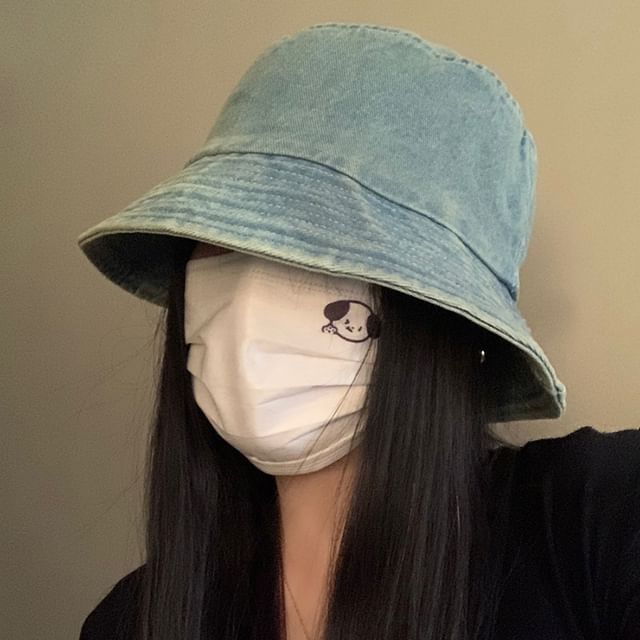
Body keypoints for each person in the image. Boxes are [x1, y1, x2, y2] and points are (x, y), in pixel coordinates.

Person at [76, 22, 640, 640]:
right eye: (225, 240)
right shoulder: (133, 620)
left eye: (316, 250)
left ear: (443, 319)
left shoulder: (597, 523)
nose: (249, 294)